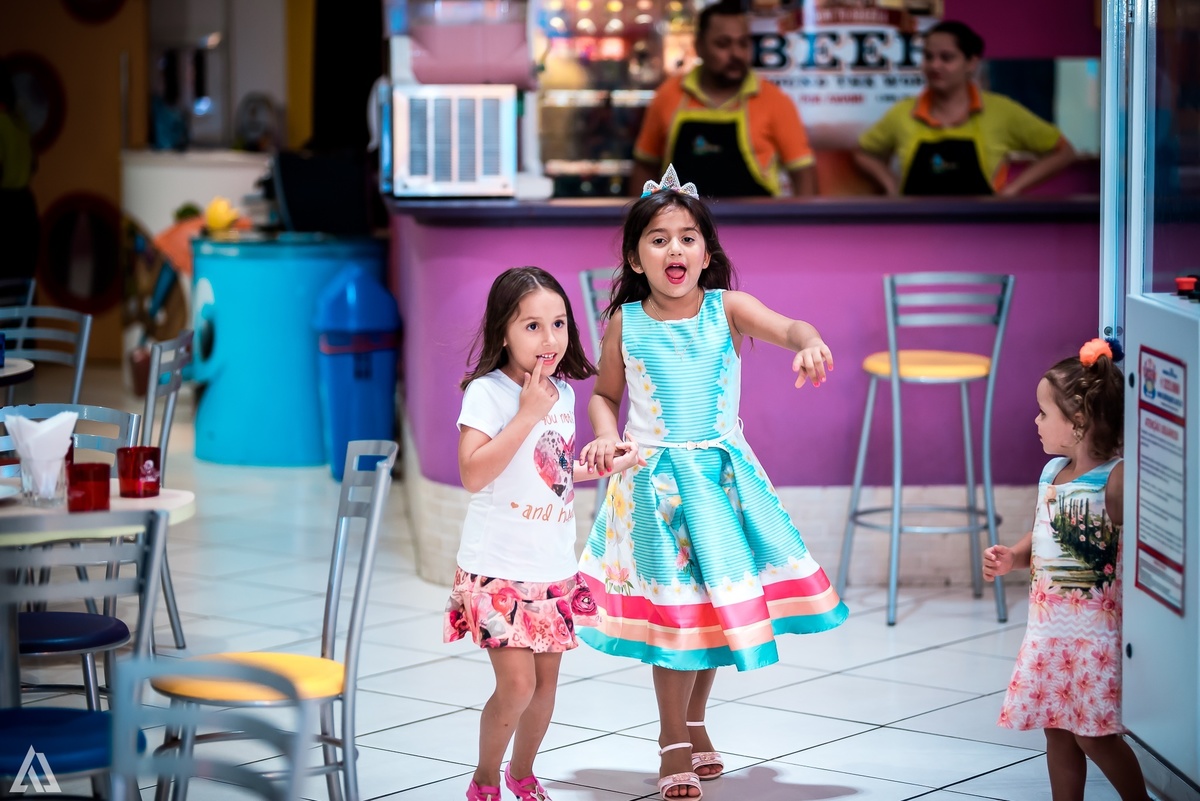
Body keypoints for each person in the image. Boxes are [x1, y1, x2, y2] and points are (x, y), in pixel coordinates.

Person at [577, 166, 848, 799]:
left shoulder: (729, 309)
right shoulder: (626, 322)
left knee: (709, 610)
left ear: (707, 252)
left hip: (722, 485)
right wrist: (602, 434)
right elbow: (606, 395)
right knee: (674, 614)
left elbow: (792, 329)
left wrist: (810, 345)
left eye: (688, 237)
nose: (675, 249)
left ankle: (695, 723)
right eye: (659, 239)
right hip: (655, 488)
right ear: (636, 258)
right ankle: (672, 739)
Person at [445, 266, 644, 801]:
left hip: (552, 566)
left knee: (545, 690)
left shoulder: (562, 392)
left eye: (558, 323)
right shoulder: (487, 394)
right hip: (497, 566)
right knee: (517, 686)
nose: (550, 338)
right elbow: (473, 474)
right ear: (503, 331)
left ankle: (523, 774)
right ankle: (485, 780)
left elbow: (550, 471)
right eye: (532, 326)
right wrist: (527, 414)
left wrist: (603, 466)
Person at [983, 339, 1151, 801]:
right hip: (1048, 631)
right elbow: (1044, 533)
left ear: (1077, 422)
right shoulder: (1052, 473)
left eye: (1043, 413)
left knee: (1094, 735)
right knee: (1056, 730)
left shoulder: (1115, 478)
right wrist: (1015, 556)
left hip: (1093, 634)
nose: (1035, 421)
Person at [854, 20, 1076, 196]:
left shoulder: (1001, 111)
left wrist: (1012, 190)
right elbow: (863, 152)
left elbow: (1063, 152)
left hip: (983, 233)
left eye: (946, 58)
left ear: (971, 62)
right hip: (916, 233)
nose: (934, 65)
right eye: (928, 57)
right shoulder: (902, 113)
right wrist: (891, 185)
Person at [628, 0, 817, 198]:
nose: (736, 54)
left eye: (743, 43)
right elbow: (645, 167)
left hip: (756, 227)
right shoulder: (668, 96)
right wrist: (639, 222)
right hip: (683, 227)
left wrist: (808, 226)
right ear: (699, 46)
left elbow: (803, 173)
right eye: (723, 44)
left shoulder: (774, 100)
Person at [0, 58, 39, 280]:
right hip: (25, 208)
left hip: (5, 211)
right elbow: (34, 165)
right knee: (21, 286)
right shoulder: (20, 123)